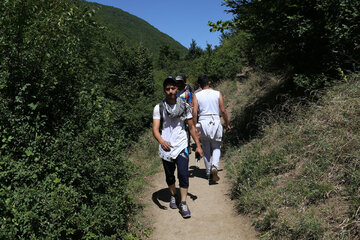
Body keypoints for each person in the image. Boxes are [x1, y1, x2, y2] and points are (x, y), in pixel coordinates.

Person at [152, 76, 203, 218]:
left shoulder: (185, 106)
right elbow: (155, 129)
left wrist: (198, 145)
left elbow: (191, 127)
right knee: (170, 177)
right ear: (164, 90)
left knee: (183, 174)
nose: (170, 91)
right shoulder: (159, 108)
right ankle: (173, 194)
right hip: (166, 147)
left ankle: (184, 202)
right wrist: (161, 141)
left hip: (181, 145)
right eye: (167, 89)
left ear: (177, 89)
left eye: (172, 88)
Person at [193, 75, 231, 183]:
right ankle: (215, 166)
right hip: (215, 120)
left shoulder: (197, 95)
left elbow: (195, 112)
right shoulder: (217, 93)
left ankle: (208, 172)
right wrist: (227, 124)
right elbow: (223, 110)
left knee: (205, 148)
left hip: (203, 122)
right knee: (216, 146)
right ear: (209, 82)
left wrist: (194, 126)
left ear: (199, 85)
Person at [175, 75, 199, 153]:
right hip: (177, 115)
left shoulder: (187, 93)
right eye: (177, 83)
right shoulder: (174, 93)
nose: (178, 84)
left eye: (180, 82)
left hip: (186, 114)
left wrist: (191, 111)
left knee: (188, 129)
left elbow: (191, 102)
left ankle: (188, 146)